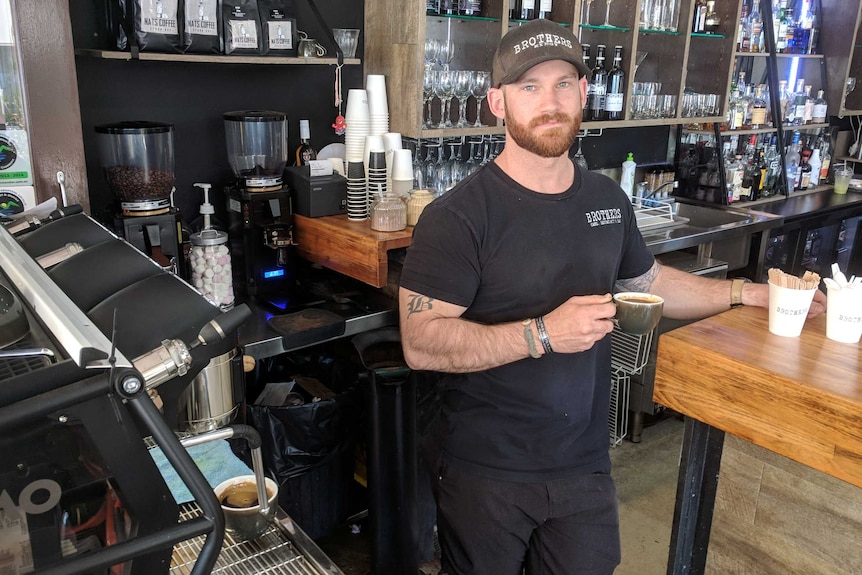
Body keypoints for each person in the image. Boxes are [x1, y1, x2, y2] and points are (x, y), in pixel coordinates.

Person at [398, 18, 826, 575]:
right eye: (529, 87)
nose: (549, 102)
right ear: (497, 103)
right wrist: (543, 333)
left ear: (583, 94)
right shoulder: (456, 217)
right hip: (486, 469)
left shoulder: (604, 197)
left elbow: (646, 283)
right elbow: (422, 344)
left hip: (583, 463)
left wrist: (746, 294)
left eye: (563, 85)